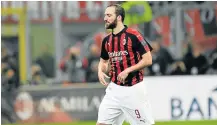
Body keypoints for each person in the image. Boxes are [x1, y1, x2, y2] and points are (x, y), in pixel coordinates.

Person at [97, 4, 155, 125]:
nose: (105, 18)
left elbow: (148, 59)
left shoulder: (134, 35)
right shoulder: (106, 40)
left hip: (133, 89)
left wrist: (128, 70)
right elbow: (103, 60)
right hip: (114, 90)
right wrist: (100, 71)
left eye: (108, 15)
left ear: (118, 17)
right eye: (104, 15)